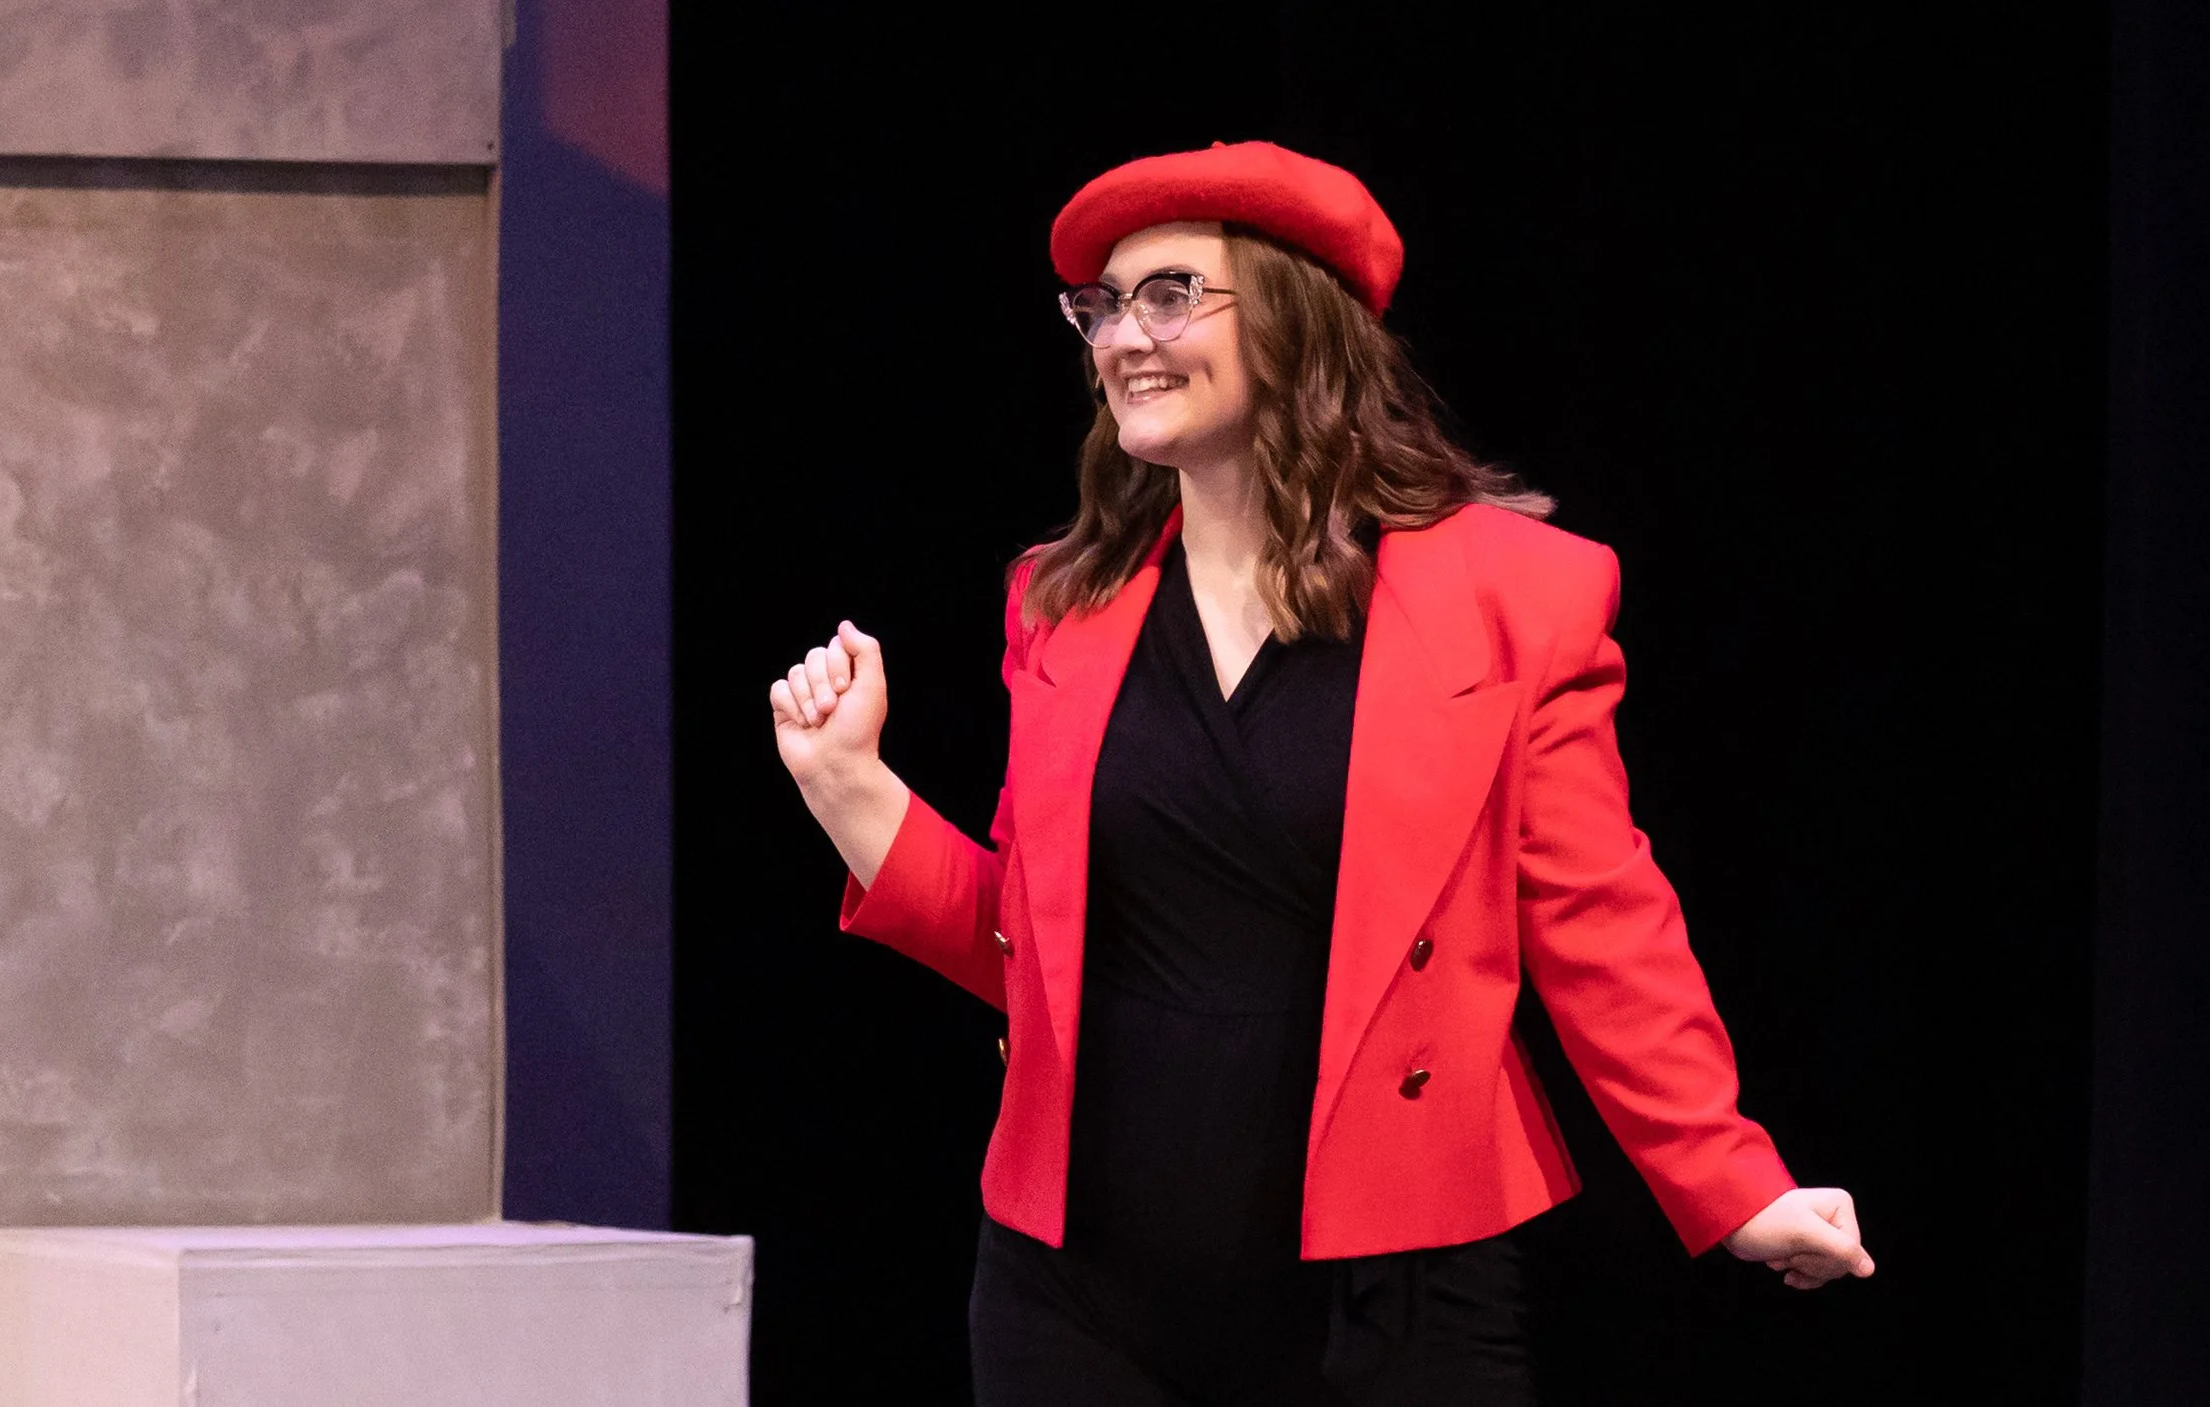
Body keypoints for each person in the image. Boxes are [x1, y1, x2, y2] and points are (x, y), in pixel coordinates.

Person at [767, 141, 1873, 1406]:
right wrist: (850, 790)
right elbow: (1038, 956)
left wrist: (1731, 1181)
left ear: (1296, 322)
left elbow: (1598, 919)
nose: (1123, 337)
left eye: (1169, 295)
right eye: (1101, 307)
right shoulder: (1062, 604)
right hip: (1073, 1297)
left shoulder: (1510, 594)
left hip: (1385, 1296)